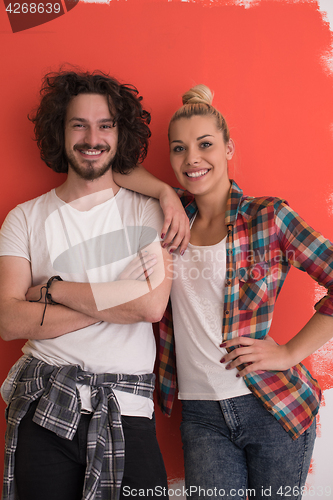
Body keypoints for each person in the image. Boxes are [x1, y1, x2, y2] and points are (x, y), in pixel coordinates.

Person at [116, 85, 333, 500]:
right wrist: (165, 192)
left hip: (271, 406)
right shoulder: (169, 217)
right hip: (202, 417)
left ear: (229, 148)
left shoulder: (268, 217)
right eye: (178, 149)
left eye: (205, 144)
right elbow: (114, 167)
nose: (192, 158)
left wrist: (289, 353)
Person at [0, 70, 189, 500]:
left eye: (106, 125)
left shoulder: (147, 212)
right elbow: (10, 319)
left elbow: (149, 306)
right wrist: (113, 299)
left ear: (121, 134)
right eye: (79, 124)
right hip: (44, 406)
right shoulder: (24, 218)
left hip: (126, 408)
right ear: (60, 132)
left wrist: (53, 290)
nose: (92, 137)